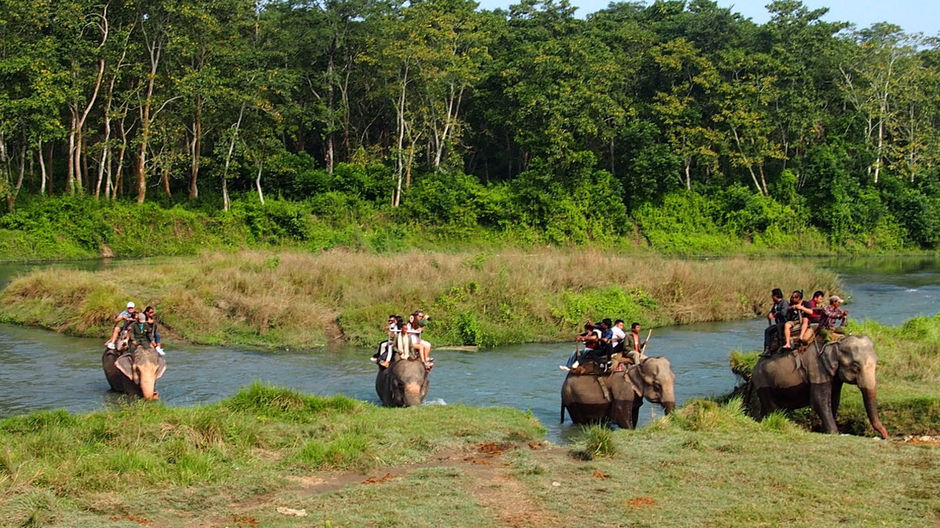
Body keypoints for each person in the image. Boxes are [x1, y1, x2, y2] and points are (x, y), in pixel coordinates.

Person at [762, 288, 787, 356]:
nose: (772, 297)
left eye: (772, 296)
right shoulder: (776, 304)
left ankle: (780, 344)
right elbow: (772, 311)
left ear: (776, 296)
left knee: (778, 327)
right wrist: (770, 314)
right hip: (778, 323)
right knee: (767, 330)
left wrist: (775, 314)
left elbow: (784, 313)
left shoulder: (784, 303)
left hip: (784, 322)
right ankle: (767, 349)